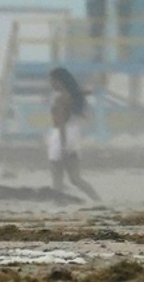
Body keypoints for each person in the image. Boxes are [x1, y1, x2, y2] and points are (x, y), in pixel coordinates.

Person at [47, 67, 101, 202]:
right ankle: (98, 199)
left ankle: (58, 203)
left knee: (57, 175)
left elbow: (60, 124)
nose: (51, 84)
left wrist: (63, 145)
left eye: (52, 81)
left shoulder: (60, 98)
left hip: (61, 137)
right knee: (75, 178)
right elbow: (88, 91)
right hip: (74, 135)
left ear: (59, 81)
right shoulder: (74, 95)